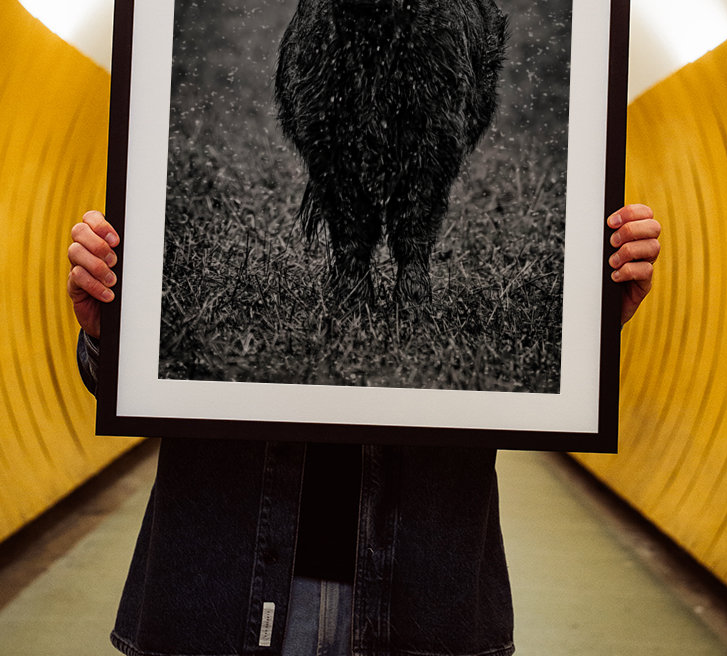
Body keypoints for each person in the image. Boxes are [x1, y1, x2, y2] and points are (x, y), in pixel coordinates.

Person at [68, 204, 661, 656]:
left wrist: (585, 325)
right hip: (220, 593)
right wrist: (110, 334)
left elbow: (537, 380)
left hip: (423, 600)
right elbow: (128, 382)